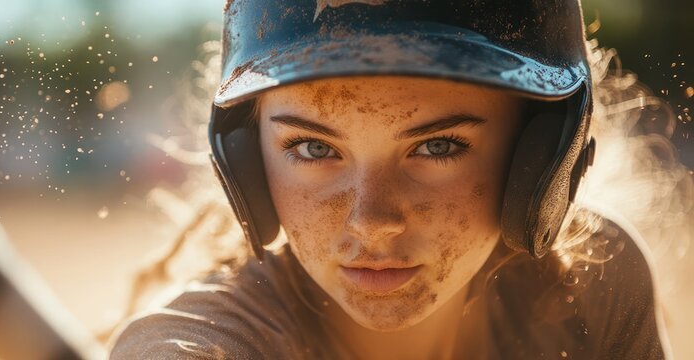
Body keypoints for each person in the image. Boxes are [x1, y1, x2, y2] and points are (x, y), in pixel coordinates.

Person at [110, 0, 682, 358]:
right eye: (312, 148)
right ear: (247, 165)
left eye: (438, 146)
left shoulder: (595, 287)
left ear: (539, 160)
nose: (372, 222)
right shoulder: (203, 341)